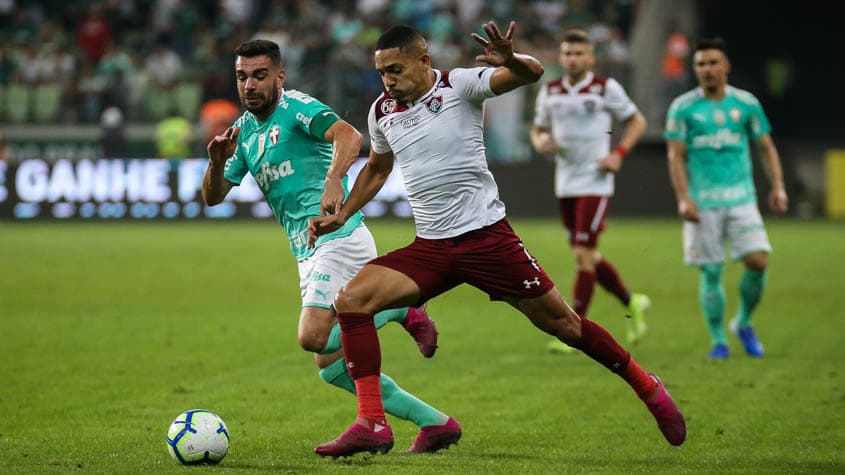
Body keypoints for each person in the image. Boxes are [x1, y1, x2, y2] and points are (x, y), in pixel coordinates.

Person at [308, 21, 686, 458]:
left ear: (423, 61)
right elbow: (377, 168)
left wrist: (511, 59)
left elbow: (531, 73)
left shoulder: (459, 85)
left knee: (564, 326)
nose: (387, 80)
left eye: (395, 69)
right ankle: (372, 422)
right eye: (381, 72)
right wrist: (344, 216)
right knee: (352, 299)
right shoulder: (381, 112)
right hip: (431, 246)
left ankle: (646, 385)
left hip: (487, 241)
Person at [202, 39, 458, 454]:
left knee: (313, 336)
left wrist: (334, 177)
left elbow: (348, 135)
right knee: (333, 368)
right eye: (242, 77)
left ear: (279, 77)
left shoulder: (296, 108)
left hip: (338, 235)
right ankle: (435, 423)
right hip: (308, 250)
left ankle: (400, 307)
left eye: (260, 75)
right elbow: (213, 198)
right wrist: (215, 162)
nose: (249, 85)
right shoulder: (244, 133)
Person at [664, 37, 788, 360]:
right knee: (711, 271)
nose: (707, 69)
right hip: (702, 202)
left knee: (758, 261)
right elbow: (675, 157)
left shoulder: (746, 104)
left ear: (726, 66)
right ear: (695, 69)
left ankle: (743, 321)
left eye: (712, 63)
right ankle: (719, 340)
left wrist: (778, 186)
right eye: (701, 64)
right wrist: (683, 198)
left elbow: (766, 147)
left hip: (741, 198)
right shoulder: (683, 108)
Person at [530, 28, 650, 354]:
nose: (572, 59)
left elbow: (637, 121)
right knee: (588, 256)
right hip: (565, 181)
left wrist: (618, 154)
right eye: (567, 54)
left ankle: (574, 327)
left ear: (591, 58)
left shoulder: (604, 88)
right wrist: (541, 141)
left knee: (583, 255)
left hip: (595, 181)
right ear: (561, 57)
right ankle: (631, 301)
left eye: (579, 54)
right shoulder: (551, 91)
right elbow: (538, 130)